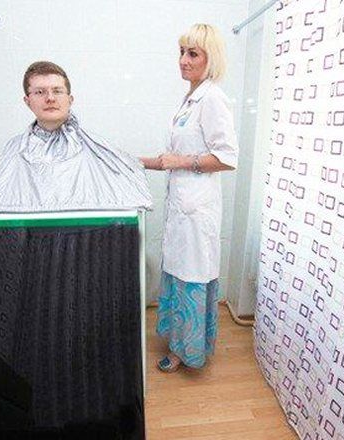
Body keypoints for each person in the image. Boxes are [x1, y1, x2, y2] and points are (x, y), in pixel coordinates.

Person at [140, 24, 238, 372]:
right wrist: (134, 161)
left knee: (191, 275)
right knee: (178, 271)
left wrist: (180, 162)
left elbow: (227, 157)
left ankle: (188, 350)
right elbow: (172, 157)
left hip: (197, 210)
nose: (183, 60)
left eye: (193, 53)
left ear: (211, 58)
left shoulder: (213, 99)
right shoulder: (189, 99)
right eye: (181, 52)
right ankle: (176, 338)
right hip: (183, 207)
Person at [0, 61, 151, 213]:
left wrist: (156, 163)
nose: (50, 98)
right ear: (27, 101)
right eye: (40, 92)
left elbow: (122, 169)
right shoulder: (14, 148)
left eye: (57, 91)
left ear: (70, 99)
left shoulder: (96, 146)